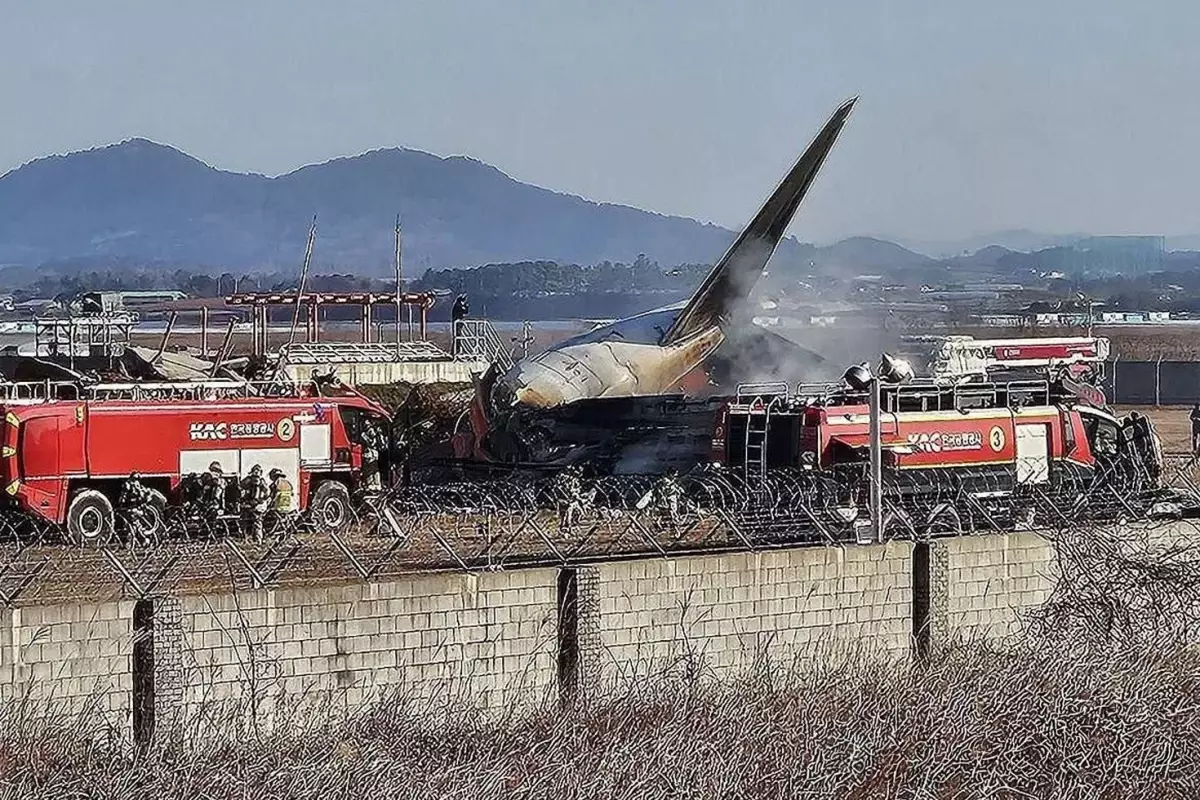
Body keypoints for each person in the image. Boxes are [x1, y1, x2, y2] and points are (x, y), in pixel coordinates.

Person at [118, 471, 153, 544]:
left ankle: (143, 539)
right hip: (133, 508)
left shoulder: (134, 486)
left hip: (134, 509)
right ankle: (134, 540)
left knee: (134, 524)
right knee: (130, 525)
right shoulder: (134, 486)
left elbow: (123, 497)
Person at [240, 464, 270, 542]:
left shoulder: (261, 482)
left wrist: (261, 500)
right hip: (251, 504)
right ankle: (249, 538)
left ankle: (254, 539)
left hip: (255, 505)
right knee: (250, 521)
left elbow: (267, 493)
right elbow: (242, 485)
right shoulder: (251, 480)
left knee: (254, 522)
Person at [267, 468, 297, 537]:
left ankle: (272, 531)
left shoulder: (275, 484)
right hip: (288, 505)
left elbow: (272, 496)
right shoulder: (288, 483)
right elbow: (292, 494)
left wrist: (269, 505)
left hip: (278, 506)